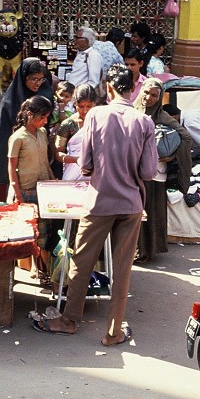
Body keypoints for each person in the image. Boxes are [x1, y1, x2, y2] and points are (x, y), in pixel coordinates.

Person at [31, 64, 158, 345]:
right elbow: (149, 171)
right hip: (131, 204)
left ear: (109, 88)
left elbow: (85, 164)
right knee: (123, 270)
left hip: (99, 200)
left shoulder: (97, 116)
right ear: (131, 89)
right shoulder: (144, 121)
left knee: (82, 261)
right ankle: (114, 332)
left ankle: (69, 320)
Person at [135, 78, 192, 262]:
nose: (148, 98)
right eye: (146, 93)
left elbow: (186, 137)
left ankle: (148, 251)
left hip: (155, 174)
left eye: (154, 95)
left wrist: (173, 156)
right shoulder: (132, 113)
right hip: (132, 172)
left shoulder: (162, 117)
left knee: (150, 210)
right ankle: (134, 250)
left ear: (159, 98)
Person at [8, 95, 55, 284]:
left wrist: (53, 180)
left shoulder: (42, 133)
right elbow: (11, 167)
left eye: (46, 118)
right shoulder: (18, 137)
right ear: (29, 114)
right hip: (26, 190)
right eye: (41, 117)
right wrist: (18, 194)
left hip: (44, 189)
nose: (44, 121)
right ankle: (31, 267)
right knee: (29, 233)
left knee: (44, 233)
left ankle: (43, 269)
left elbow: (45, 160)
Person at [0, 58, 55, 185]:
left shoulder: (44, 93)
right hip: (19, 158)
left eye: (41, 79)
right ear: (24, 77)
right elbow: (2, 136)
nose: (38, 83)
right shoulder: (10, 101)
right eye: (34, 79)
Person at [55, 83, 98, 181]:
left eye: (89, 106)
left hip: (96, 174)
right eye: (81, 106)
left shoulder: (101, 122)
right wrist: (77, 160)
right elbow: (58, 153)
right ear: (75, 104)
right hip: (72, 175)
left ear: (95, 104)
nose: (85, 110)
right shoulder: (68, 125)